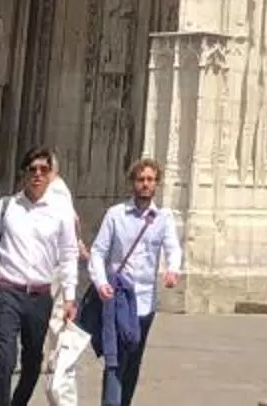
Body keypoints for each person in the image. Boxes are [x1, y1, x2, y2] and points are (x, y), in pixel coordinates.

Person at [0, 149, 83, 406]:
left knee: (32, 364)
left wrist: (70, 297)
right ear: (24, 173)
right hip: (7, 291)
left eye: (44, 169)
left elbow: (68, 254)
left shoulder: (61, 211)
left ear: (51, 175)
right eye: (33, 169)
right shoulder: (7, 206)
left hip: (40, 296)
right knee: (4, 359)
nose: (38, 175)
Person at [86, 157, 185, 406]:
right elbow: (98, 251)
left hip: (144, 303)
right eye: (141, 179)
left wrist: (172, 270)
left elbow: (173, 248)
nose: (145, 184)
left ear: (157, 184)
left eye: (150, 180)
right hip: (118, 297)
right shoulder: (116, 215)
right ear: (133, 183)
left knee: (133, 360)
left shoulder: (164, 217)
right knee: (115, 358)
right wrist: (101, 283)